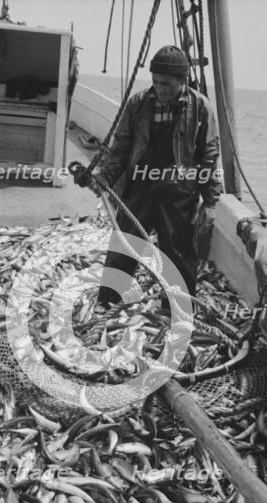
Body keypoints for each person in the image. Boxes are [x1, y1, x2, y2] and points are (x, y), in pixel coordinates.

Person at [75, 45, 222, 307]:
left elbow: (209, 157)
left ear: (182, 81)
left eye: (166, 83)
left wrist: (210, 203)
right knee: (123, 249)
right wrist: (104, 177)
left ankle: (178, 310)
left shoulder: (201, 107)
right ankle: (107, 304)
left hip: (179, 194)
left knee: (177, 256)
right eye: (155, 82)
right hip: (140, 188)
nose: (160, 88)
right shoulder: (138, 103)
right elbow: (120, 147)